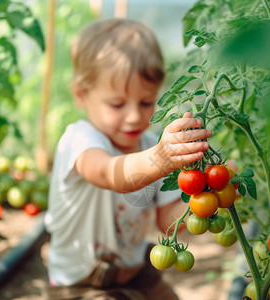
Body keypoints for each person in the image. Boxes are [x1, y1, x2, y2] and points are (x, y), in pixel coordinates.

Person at [44, 18, 212, 300]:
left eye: (146, 102)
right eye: (117, 104)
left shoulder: (149, 144)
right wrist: (161, 159)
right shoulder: (80, 140)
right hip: (79, 285)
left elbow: (169, 221)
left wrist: (207, 195)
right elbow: (111, 174)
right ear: (82, 95)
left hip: (137, 273)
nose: (134, 116)